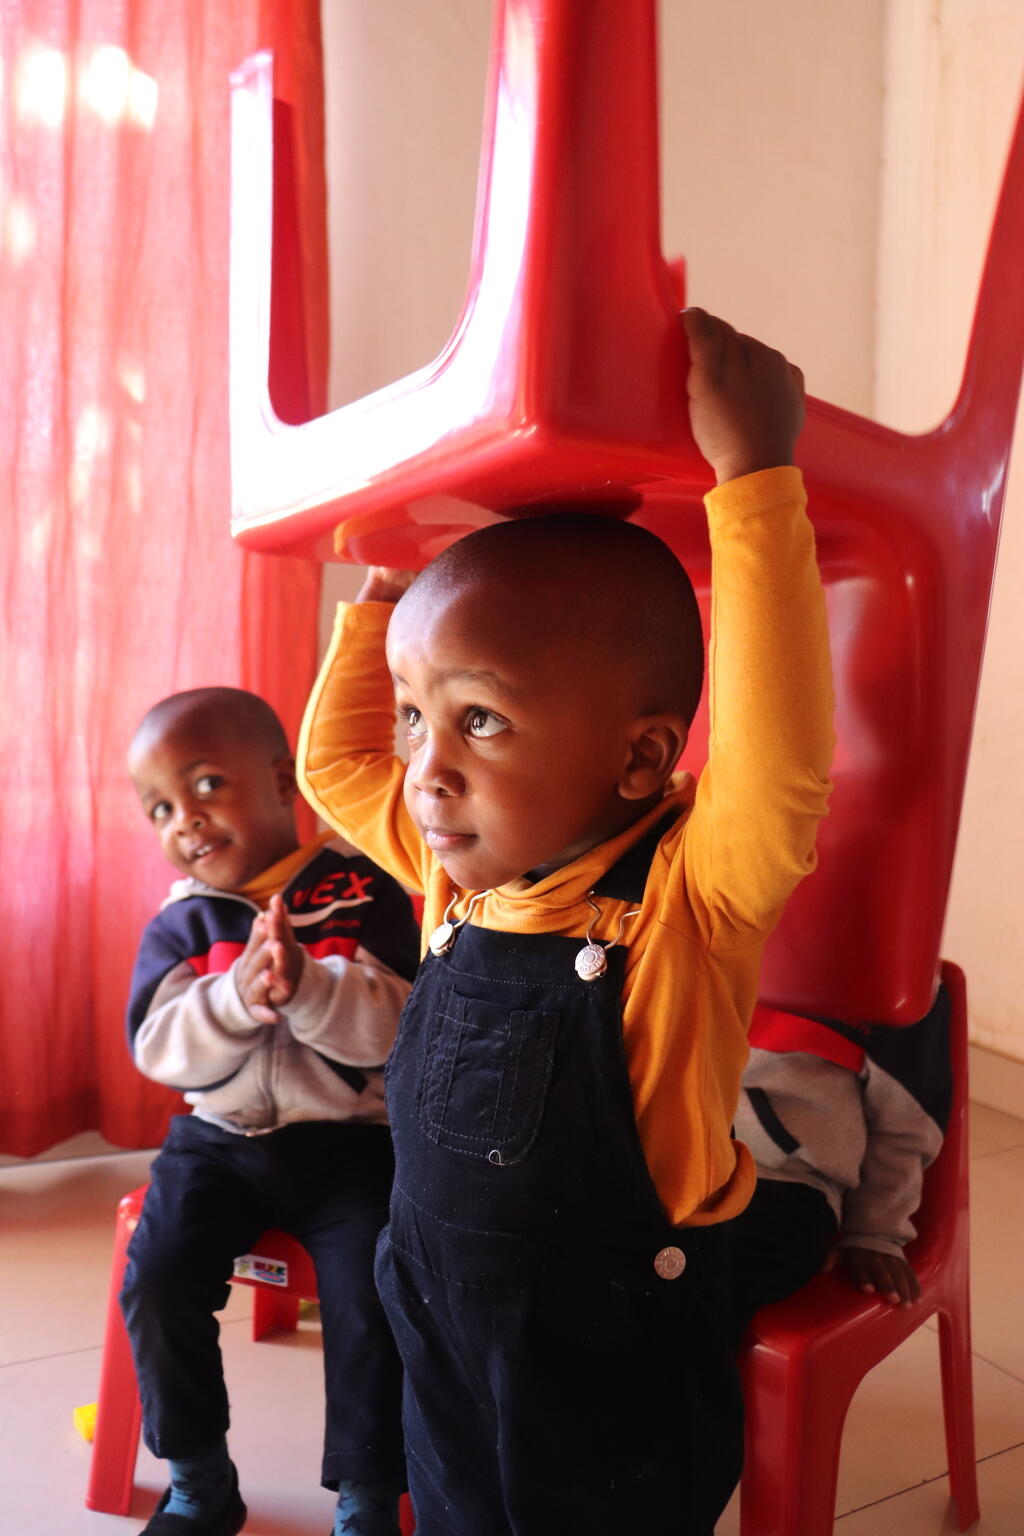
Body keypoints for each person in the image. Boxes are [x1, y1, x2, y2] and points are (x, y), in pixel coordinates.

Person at [297, 306, 836, 1535]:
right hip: (439, 1318)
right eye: (416, 715)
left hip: (616, 1365)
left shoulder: (688, 893)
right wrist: (384, 589)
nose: (425, 769)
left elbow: (780, 760)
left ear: (643, 757)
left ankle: (805, 1215)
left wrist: (753, 484)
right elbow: (335, 769)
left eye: (477, 719)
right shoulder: (458, 875)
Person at [121, 687, 419, 1536]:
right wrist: (235, 1001)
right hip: (217, 1142)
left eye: (208, 784)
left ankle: (366, 1498)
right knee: (158, 1277)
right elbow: (159, 1049)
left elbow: (401, 1027)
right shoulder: (182, 922)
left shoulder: (365, 891)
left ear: (283, 783)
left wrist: (311, 988)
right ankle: (199, 1481)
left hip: (350, 1145)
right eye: (161, 808)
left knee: (376, 1288)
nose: (185, 819)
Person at [728, 981, 952, 1344]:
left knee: (704, 1281)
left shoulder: (893, 973)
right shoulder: (678, 931)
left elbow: (905, 1126)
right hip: (672, 1164)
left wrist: (876, 1231)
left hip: (786, 1184)